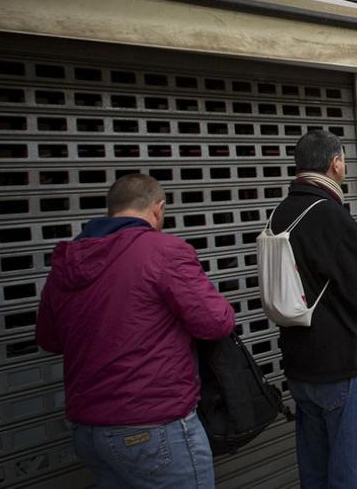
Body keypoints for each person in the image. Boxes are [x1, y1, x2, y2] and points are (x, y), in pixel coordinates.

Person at [36, 174, 235, 487]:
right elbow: (215, 322)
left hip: (89, 430)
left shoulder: (67, 261)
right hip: (154, 426)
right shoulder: (163, 251)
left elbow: (49, 339)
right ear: (158, 209)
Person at [271, 130, 357, 489]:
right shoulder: (329, 214)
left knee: (316, 473)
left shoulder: (282, 212)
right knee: (352, 476)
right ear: (335, 163)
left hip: (299, 363)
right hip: (339, 364)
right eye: (343, 160)